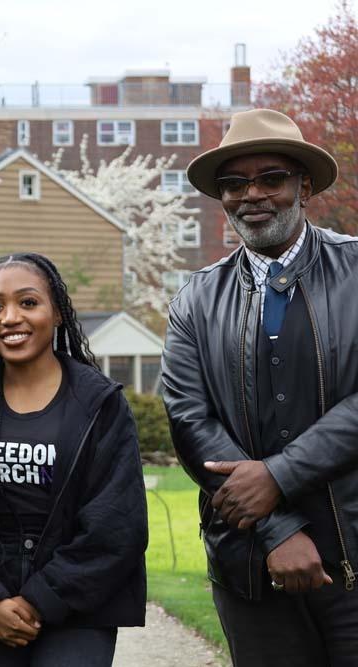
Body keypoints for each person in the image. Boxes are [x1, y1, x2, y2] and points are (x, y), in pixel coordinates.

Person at [162, 108, 358, 665]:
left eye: (271, 178)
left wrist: (279, 474)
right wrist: (276, 531)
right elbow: (189, 421)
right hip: (248, 564)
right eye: (234, 183)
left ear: (304, 185)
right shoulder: (194, 301)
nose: (253, 194)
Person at [0, 252, 147, 667]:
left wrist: (42, 598)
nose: (10, 318)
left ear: (57, 311)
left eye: (28, 302)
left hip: (78, 608)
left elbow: (117, 525)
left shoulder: (99, 406)